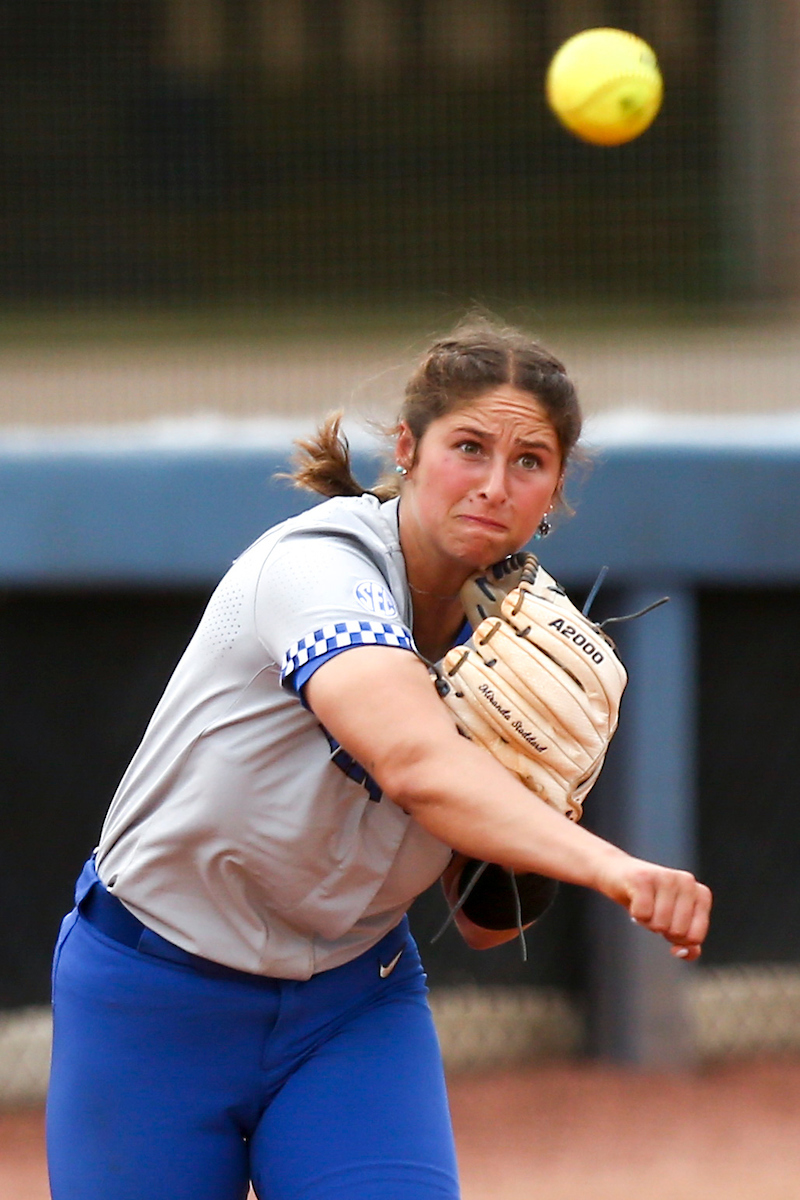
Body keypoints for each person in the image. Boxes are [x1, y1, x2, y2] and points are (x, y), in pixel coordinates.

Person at [46, 319, 711, 1200]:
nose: (494, 485)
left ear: (555, 489)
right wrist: (610, 867)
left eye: (529, 461)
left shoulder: (527, 649)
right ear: (407, 448)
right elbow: (413, 764)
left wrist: (541, 806)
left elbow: (485, 925)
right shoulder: (319, 566)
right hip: (155, 993)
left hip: (351, 1007)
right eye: (468, 448)